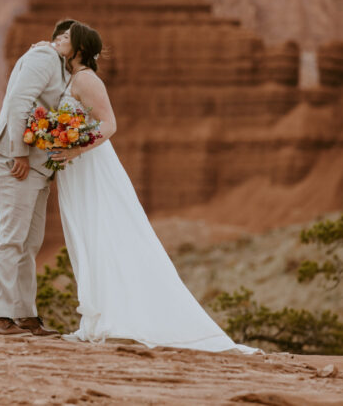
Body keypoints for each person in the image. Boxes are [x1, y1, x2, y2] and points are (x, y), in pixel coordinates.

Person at [47, 22, 258, 353]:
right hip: (76, 170)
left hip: (91, 167)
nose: (58, 41)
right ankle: (95, 317)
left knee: (102, 233)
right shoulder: (70, 79)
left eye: (65, 38)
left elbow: (109, 124)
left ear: (81, 49)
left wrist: (75, 147)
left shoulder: (86, 79)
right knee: (86, 236)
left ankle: (110, 318)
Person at [0, 18, 76, 336]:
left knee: (29, 242)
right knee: (11, 238)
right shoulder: (43, 57)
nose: (65, 39)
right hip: (14, 161)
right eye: (62, 34)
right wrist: (19, 152)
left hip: (36, 166)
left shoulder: (61, 67)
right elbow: (19, 103)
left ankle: (24, 314)